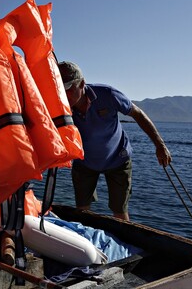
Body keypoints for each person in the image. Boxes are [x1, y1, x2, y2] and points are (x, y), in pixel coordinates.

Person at [58, 61, 172, 221]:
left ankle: (123, 244)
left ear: (82, 83)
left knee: (119, 211)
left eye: (68, 88)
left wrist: (160, 145)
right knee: (82, 211)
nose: (63, 93)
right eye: (59, 88)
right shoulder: (59, 104)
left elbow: (137, 114)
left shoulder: (108, 94)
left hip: (118, 159)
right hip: (85, 162)